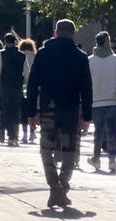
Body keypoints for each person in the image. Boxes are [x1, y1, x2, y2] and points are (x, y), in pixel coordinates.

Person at [26, 19, 93, 209]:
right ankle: (62, 187)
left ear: (55, 32)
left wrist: (31, 111)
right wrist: (87, 115)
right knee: (70, 150)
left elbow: (32, 85)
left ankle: (54, 187)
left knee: (46, 150)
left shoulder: (43, 54)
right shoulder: (80, 57)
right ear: (72, 33)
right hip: (71, 110)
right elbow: (86, 88)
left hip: (48, 108)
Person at [87, 31, 116, 172]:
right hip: (113, 100)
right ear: (108, 42)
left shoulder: (90, 61)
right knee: (112, 131)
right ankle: (112, 160)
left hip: (96, 101)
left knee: (98, 131)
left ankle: (96, 158)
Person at [0, 33, 29, 146]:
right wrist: (30, 85)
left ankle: (7, 133)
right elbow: (26, 73)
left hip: (5, 85)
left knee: (6, 109)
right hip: (17, 86)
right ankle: (14, 134)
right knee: (16, 110)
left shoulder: (0, 54)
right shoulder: (21, 55)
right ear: (15, 42)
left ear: (5, 42)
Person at [18, 39, 38, 143]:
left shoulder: (19, 56)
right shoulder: (36, 57)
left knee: (23, 111)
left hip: (21, 86)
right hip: (34, 87)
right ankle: (32, 132)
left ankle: (24, 133)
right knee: (32, 110)